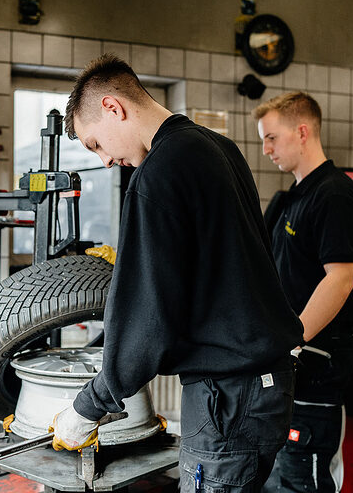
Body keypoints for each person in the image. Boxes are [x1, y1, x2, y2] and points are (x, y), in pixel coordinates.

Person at [49, 53, 304, 492]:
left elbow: (149, 312)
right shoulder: (217, 147)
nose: (106, 160)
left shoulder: (157, 174)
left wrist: (88, 407)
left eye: (95, 144)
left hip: (225, 400)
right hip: (266, 389)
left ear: (113, 107)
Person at [252, 92, 353, 493]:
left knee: (306, 482)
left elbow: (340, 277)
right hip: (286, 371)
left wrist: (292, 341)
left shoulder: (334, 195)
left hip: (317, 371)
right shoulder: (289, 199)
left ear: (302, 131)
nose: (265, 149)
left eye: (271, 137)